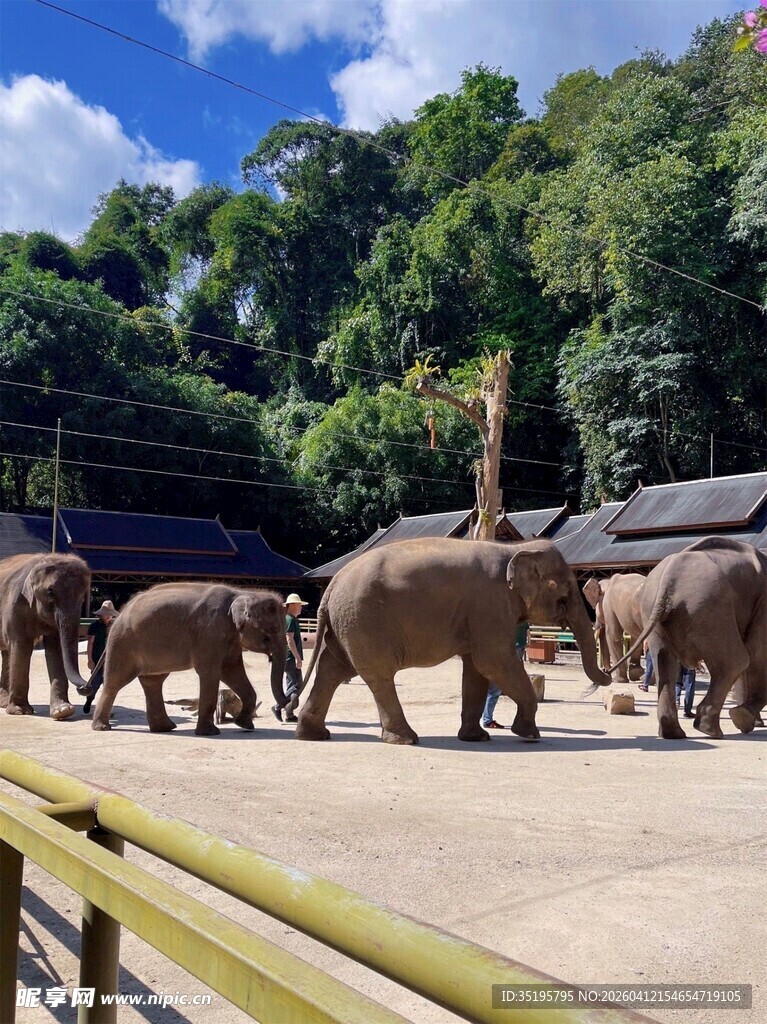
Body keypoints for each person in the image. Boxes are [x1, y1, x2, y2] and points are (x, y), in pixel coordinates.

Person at [272, 592, 308, 724]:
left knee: (291, 685)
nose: (301, 608)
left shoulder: (287, 619)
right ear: (292, 605)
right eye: (299, 605)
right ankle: (279, 705)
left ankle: (289, 713)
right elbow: (289, 639)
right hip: (290, 658)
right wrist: (297, 658)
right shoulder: (290, 619)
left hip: (286, 658)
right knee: (298, 685)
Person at [83, 600, 118, 714]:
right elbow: (90, 643)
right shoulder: (94, 626)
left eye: (110, 614)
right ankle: (89, 701)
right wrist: (90, 660)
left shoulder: (114, 626)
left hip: (111, 662)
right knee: (94, 685)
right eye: (106, 613)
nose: (108, 616)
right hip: (97, 659)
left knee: (109, 687)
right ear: (101, 614)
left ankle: (106, 709)